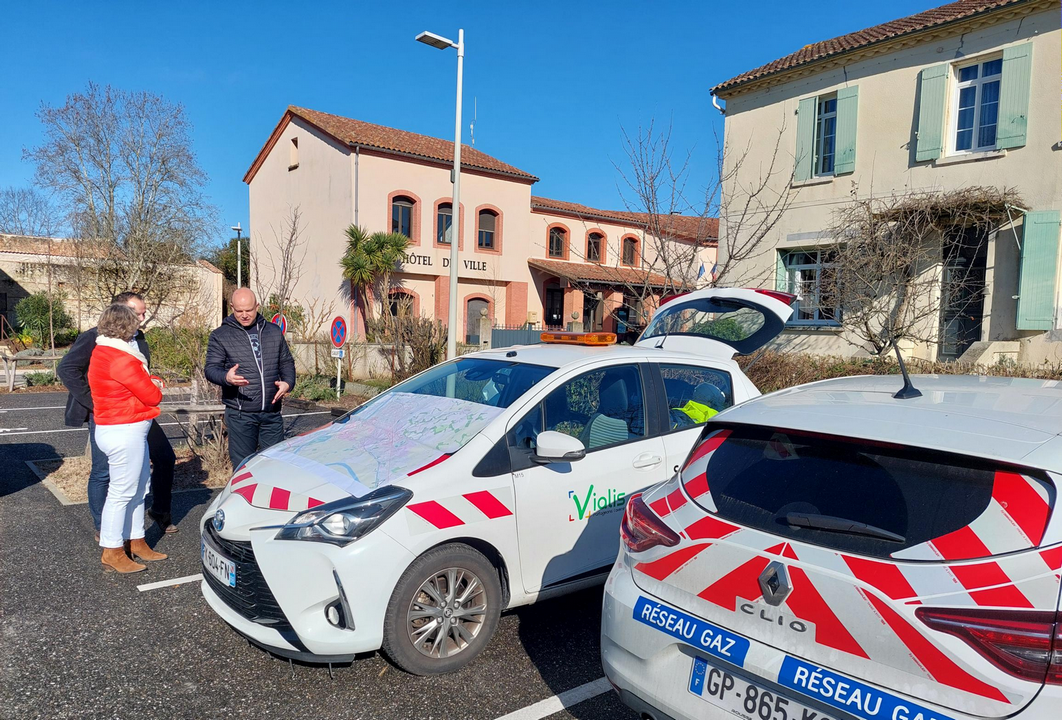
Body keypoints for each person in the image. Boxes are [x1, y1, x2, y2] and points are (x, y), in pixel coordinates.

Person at [57, 292, 178, 539]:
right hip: (107, 416)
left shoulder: (139, 337)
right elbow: (67, 368)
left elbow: (138, 373)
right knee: (104, 472)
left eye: (145, 312)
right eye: (139, 313)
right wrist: (95, 401)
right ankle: (105, 529)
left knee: (164, 457)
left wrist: (149, 382)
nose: (144, 318)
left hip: (137, 413)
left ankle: (159, 512)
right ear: (122, 312)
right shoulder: (94, 337)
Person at [88, 303, 167, 574]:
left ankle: (137, 541)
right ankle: (112, 550)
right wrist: (155, 385)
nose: (139, 323)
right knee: (122, 492)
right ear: (125, 326)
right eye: (135, 320)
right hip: (125, 429)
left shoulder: (106, 351)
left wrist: (150, 382)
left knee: (139, 487)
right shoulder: (120, 357)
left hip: (124, 428)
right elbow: (152, 395)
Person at [205, 288, 296, 470]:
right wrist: (226, 377)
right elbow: (210, 369)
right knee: (244, 470)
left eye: (249, 310)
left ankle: (269, 499)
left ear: (257, 306)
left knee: (275, 467)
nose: (244, 315)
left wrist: (288, 382)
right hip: (240, 414)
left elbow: (286, 362)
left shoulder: (273, 331)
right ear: (232, 308)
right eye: (239, 311)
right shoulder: (220, 335)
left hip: (272, 413)